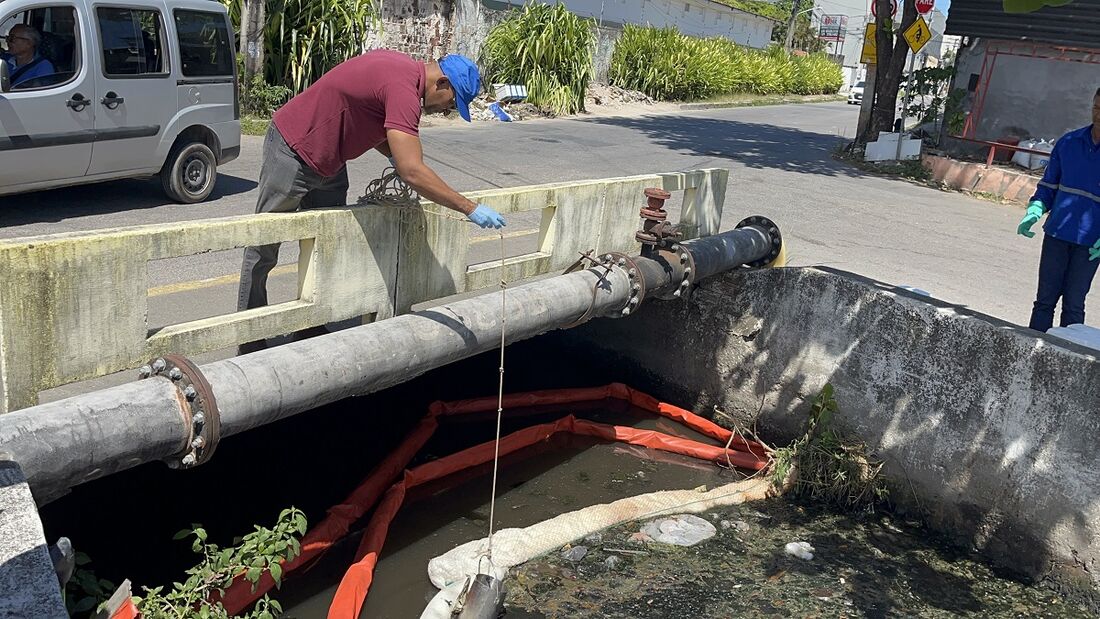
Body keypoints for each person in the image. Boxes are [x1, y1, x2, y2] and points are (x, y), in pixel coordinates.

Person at [237, 50, 505, 353]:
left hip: (331, 160)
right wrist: (470, 208)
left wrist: (392, 154)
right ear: (442, 83)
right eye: (452, 104)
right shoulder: (403, 89)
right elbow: (413, 171)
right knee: (264, 246)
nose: (446, 111)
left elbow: (370, 117)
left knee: (327, 247)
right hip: (293, 148)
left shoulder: (404, 74)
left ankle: (311, 326)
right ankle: (249, 338)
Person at [1016, 88, 1100, 332]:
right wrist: (1035, 208)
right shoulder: (1069, 143)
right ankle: (1033, 349)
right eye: (1096, 107)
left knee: (1074, 305)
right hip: (1057, 234)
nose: (1098, 114)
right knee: (1044, 302)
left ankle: (1068, 353)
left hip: (1090, 244)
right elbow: (1049, 185)